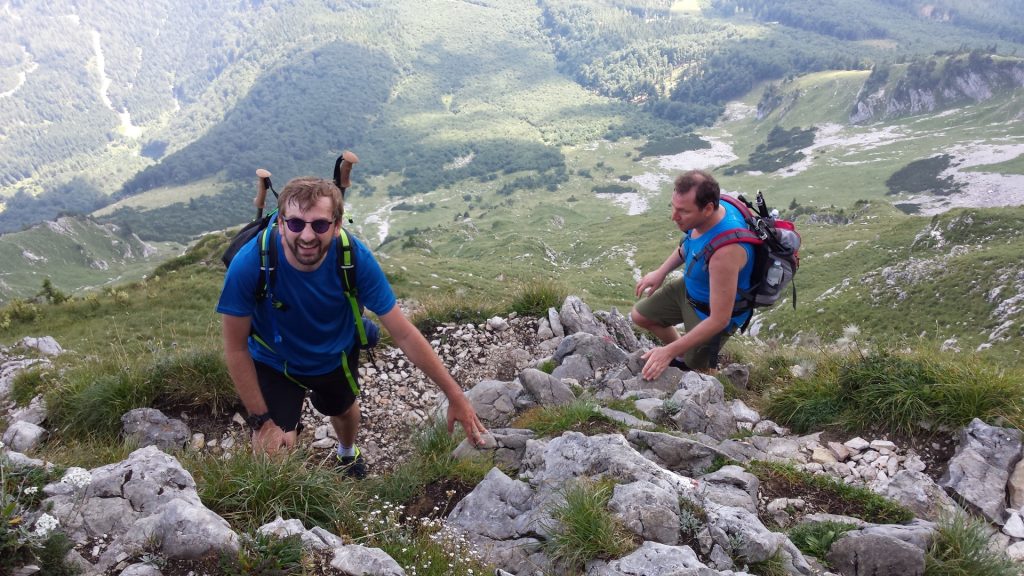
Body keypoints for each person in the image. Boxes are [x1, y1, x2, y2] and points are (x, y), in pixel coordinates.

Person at [217, 177, 487, 477]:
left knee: (343, 411)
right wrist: (262, 421)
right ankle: (287, 521)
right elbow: (236, 347)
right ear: (280, 224)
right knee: (271, 456)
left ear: (337, 225)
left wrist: (455, 395)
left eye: (319, 225)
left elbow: (404, 333)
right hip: (273, 360)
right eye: (295, 224)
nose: (306, 235)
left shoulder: (354, 259)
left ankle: (346, 452)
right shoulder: (251, 263)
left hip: (334, 354)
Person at [631, 169, 754, 381]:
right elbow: (689, 245)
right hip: (691, 288)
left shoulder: (726, 253)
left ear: (707, 208)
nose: (674, 217)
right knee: (640, 316)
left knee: (695, 367)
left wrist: (667, 351)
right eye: (673, 207)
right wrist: (661, 272)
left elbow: (719, 319)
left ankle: (700, 367)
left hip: (710, 313)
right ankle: (684, 352)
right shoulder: (707, 215)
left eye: (683, 211)